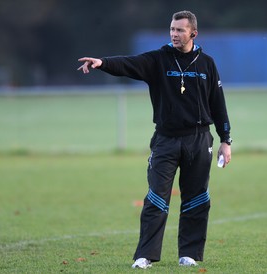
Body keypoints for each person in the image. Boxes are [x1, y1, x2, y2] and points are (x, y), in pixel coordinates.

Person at [77, 10, 232, 269]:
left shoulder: (207, 64)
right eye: (172, 29)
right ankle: (145, 255)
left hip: (199, 139)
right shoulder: (158, 60)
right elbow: (129, 64)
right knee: (157, 197)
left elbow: (218, 105)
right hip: (166, 140)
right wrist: (102, 63)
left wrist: (225, 140)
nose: (174, 33)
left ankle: (189, 254)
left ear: (193, 33)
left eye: (180, 30)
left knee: (197, 198)